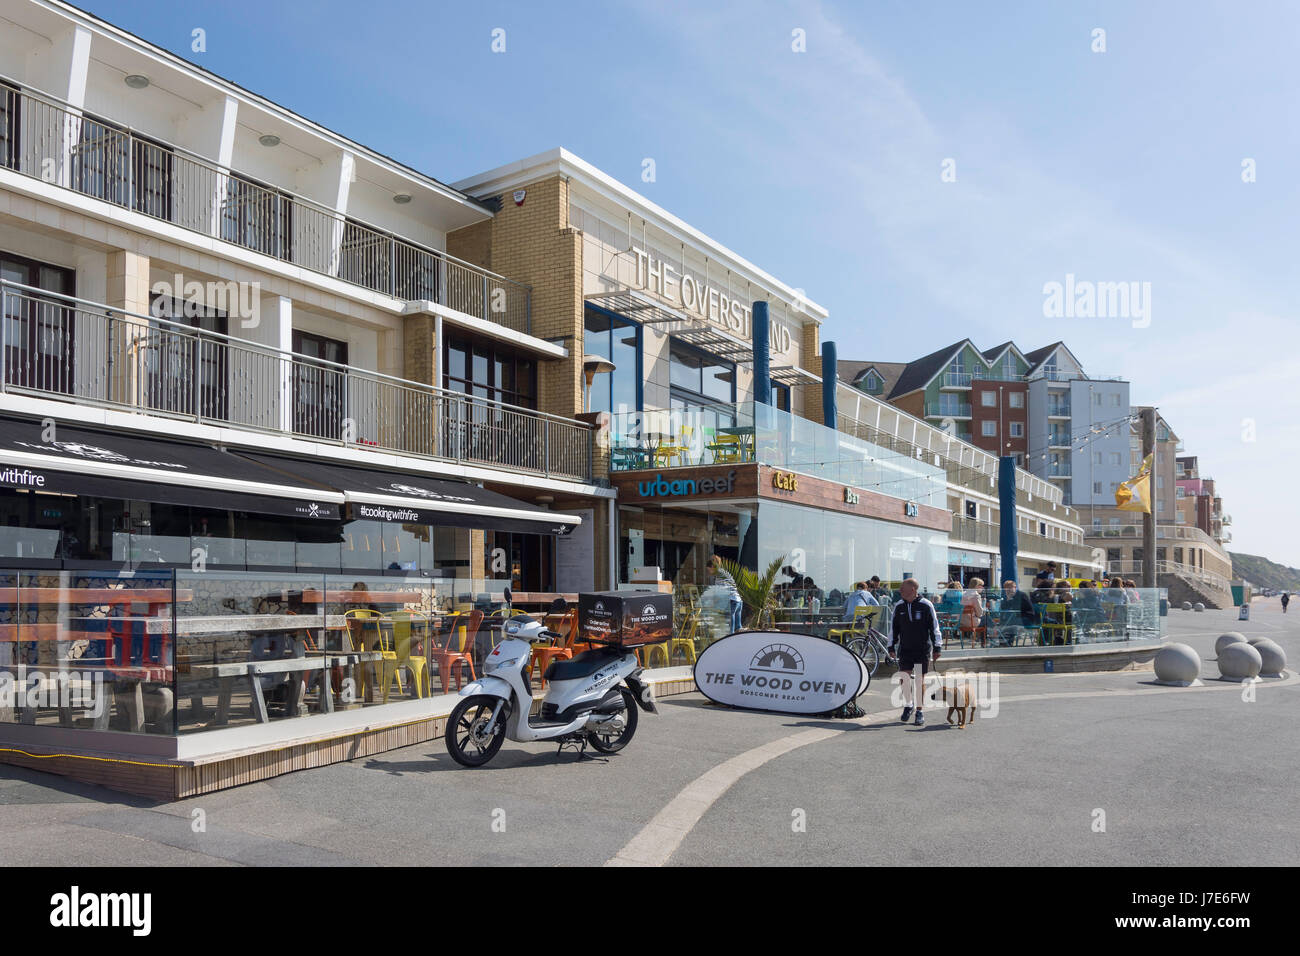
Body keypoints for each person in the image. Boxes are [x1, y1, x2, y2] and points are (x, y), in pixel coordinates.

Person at [888, 578, 942, 727]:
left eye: (902, 588)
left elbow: (934, 627)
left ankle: (919, 711)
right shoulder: (899, 606)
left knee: (919, 680)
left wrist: (937, 647)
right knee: (904, 678)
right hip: (905, 649)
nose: (900, 591)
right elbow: (894, 629)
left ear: (912, 589)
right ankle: (908, 704)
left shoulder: (926, 605)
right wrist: (891, 646)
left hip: (922, 649)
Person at [708, 555, 744, 633]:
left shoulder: (719, 575)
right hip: (738, 600)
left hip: (731, 601)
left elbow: (722, 591)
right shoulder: (724, 572)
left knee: (730, 631)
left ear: (713, 566)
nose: (709, 572)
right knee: (738, 629)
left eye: (709, 569)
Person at [998, 579, 1036, 645]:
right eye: (1006, 589)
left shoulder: (1021, 595)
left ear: (1015, 587)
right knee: (1004, 623)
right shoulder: (1010, 596)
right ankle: (1005, 643)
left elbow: (1016, 608)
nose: (1008, 590)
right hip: (1018, 617)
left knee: (1009, 624)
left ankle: (1007, 643)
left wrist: (1010, 599)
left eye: (1010, 588)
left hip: (1027, 618)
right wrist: (1008, 599)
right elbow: (1003, 607)